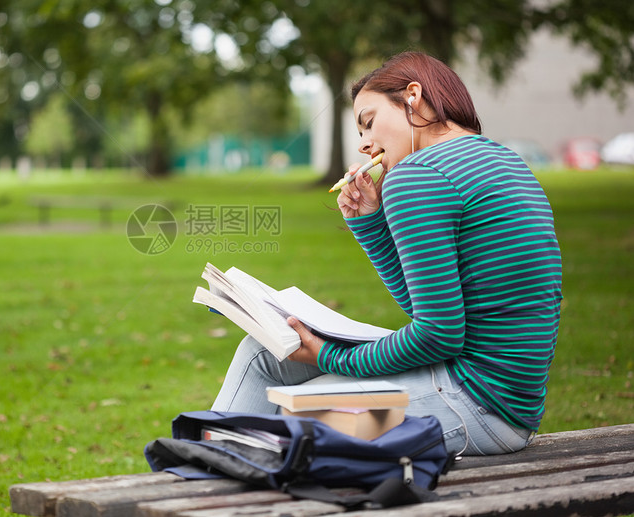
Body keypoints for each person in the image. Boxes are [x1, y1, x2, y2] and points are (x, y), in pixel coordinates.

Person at [211, 51, 563, 456]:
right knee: (265, 354)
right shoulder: (504, 159)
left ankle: (203, 489)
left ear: (413, 96)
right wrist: (371, 222)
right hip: (503, 397)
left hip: (477, 402)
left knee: (280, 423)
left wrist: (331, 356)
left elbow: (438, 335)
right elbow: (430, 312)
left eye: (369, 122)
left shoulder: (418, 175)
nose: (364, 144)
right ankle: (209, 477)